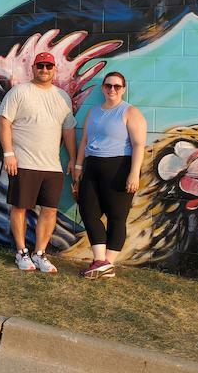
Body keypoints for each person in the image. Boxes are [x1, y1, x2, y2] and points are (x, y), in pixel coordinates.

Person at [0, 51, 76, 273]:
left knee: (50, 210)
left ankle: (40, 253)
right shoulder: (19, 92)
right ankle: (22, 252)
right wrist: (8, 154)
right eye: (40, 66)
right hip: (23, 163)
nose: (44, 70)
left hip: (52, 166)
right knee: (20, 207)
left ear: (54, 70)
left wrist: (72, 158)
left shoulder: (63, 97)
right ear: (33, 68)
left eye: (48, 66)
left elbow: (68, 129)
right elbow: (4, 122)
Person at [73, 71, 147, 279]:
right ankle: (100, 261)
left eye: (117, 86)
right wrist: (78, 167)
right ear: (103, 88)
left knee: (116, 216)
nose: (112, 89)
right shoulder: (94, 111)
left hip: (120, 167)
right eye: (108, 86)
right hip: (93, 166)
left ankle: (107, 263)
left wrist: (134, 174)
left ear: (123, 89)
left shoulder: (130, 112)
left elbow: (139, 145)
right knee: (87, 210)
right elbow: (85, 140)